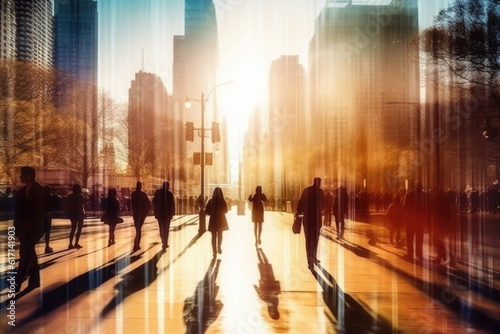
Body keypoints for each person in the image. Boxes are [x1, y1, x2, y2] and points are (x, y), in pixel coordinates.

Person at [14, 166, 47, 292]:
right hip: (24, 229)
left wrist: (41, 228)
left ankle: (18, 282)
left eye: (22, 175)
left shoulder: (40, 190)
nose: (20, 177)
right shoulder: (21, 192)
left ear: (29, 176)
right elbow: (18, 212)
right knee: (28, 253)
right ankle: (34, 281)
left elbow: (43, 211)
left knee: (25, 254)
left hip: (34, 228)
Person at [296, 177, 324, 269]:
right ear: (318, 183)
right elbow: (323, 205)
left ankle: (310, 261)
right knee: (315, 240)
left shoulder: (306, 190)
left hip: (308, 219)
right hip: (316, 220)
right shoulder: (320, 192)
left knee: (308, 240)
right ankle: (313, 257)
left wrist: (299, 213)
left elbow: (300, 203)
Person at [403, 182, 429, 262]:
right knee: (419, 238)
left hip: (411, 219)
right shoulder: (425, 195)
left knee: (410, 238)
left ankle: (410, 254)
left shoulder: (409, 194)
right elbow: (428, 208)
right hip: (420, 220)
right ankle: (419, 253)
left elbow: (405, 206)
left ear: (414, 187)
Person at [206, 187, 229, 257]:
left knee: (213, 236)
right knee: (220, 234)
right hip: (221, 219)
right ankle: (218, 247)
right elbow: (226, 210)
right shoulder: (223, 200)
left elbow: (207, 211)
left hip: (213, 220)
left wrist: (213, 212)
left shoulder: (210, 201)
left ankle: (214, 251)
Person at [153, 181, 175, 251]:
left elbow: (154, 202)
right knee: (166, 228)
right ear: (168, 186)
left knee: (161, 228)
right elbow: (172, 204)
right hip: (167, 214)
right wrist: (172, 213)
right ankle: (165, 242)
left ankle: (163, 241)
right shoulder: (170, 193)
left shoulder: (158, 192)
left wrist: (155, 212)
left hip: (160, 214)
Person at [131, 181, 151, 252]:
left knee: (137, 228)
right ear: (141, 186)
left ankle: (136, 244)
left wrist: (133, 210)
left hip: (136, 213)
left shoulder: (133, 194)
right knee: (139, 229)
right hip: (142, 214)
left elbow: (132, 204)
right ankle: (136, 244)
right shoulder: (144, 194)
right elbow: (149, 203)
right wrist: (147, 211)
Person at [66, 184, 86, 249]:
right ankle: (76, 243)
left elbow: (66, 204)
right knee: (79, 229)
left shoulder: (70, 196)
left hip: (73, 214)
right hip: (80, 214)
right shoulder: (81, 196)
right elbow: (84, 203)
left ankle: (70, 244)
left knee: (73, 228)